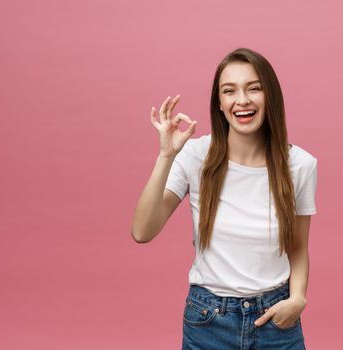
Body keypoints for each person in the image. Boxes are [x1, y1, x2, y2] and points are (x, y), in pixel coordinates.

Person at [131, 47, 318, 350]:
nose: (242, 100)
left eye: (253, 88)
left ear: (270, 95)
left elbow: (297, 246)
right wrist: (166, 156)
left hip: (275, 321)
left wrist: (297, 298)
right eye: (229, 91)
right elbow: (142, 231)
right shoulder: (194, 156)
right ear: (219, 103)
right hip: (208, 322)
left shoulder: (301, 164)